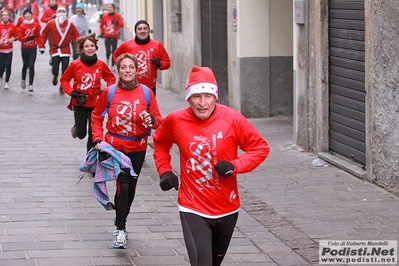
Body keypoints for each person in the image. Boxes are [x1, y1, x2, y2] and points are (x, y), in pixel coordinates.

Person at [152, 66, 270, 266]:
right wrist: (165, 170)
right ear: (188, 98)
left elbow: (260, 148)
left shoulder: (232, 119)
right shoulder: (176, 120)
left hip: (227, 207)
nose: (203, 102)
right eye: (197, 96)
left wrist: (235, 165)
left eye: (208, 95)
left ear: (215, 97)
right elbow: (160, 142)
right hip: (192, 207)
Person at [91, 53, 163, 249]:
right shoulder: (110, 92)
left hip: (138, 147)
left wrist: (152, 121)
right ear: (118, 70)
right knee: (123, 186)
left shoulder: (147, 93)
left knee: (131, 187)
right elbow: (96, 116)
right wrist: (97, 138)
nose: (127, 71)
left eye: (131, 67)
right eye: (124, 67)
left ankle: (121, 218)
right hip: (115, 148)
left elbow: (158, 120)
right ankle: (120, 228)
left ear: (137, 69)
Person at [60, 33, 116, 152]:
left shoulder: (100, 64)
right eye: (87, 46)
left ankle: (90, 159)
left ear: (96, 47)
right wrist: (73, 93)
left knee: (93, 131)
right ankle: (76, 128)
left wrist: (105, 92)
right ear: (81, 49)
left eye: (92, 46)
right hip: (79, 101)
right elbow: (64, 80)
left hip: (95, 102)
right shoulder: (75, 64)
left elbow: (111, 78)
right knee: (81, 134)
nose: (90, 48)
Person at [113, 20, 170, 97]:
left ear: (149, 30)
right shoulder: (126, 45)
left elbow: (167, 63)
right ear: (135, 31)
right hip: (129, 85)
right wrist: (122, 67)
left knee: (148, 108)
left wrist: (160, 64)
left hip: (149, 87)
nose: (142, 31)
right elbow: (116, 56)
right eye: (139, 29)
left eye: (145, 28)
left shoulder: (157, 45)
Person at [38, 5, 80, 94]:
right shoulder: (51, 23)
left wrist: (78, 46)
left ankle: (62, 86)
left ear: (66, 13)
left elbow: (76, 35)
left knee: (65, 69)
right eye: (59, 12)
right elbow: (44, 34)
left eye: (63, 12)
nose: (61, 14)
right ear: (57, 13)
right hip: (55, 50)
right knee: (55, 68)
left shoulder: (70, 24)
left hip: (66, 50)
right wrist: (42, 45)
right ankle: (55, 75)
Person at [17, 6, 41, 92]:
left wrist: (41, 45)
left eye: (29, 14)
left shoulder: (36, 25)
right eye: (26, 14)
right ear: (24, 16)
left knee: (31, 65)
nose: (27, 15)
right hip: (24, 48)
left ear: (32, 15)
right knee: (25, 64)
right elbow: (19, 37)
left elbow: (38, 35)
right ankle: (23, 78)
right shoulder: (22, 26)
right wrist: (27, 38)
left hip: (33, 48)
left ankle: (31, 84)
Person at [98, 3, 123, 71]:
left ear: (113, 9)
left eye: (111, 7)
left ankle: (112, 65)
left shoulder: (117, 16)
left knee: (114, 52)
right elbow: (101, 25)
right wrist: (101, 32)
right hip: (107, 36)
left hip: (114, 36)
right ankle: (107, 59)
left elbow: (121, 25)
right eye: (108, 7)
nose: (109, 9)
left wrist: (116, 22)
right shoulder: (104, 16)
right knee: (108, 51)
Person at [0, 10, 17, 90]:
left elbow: (17, 36)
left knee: (9, 66)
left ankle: (7, 82)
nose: (5, 17)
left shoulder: (12, 26)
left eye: (6, 15)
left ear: (9, 16)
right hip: (1, 50)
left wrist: (13, 38)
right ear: (1, 17)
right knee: (1, 66)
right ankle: (0, 77)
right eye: (3, 15)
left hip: (9, 49)